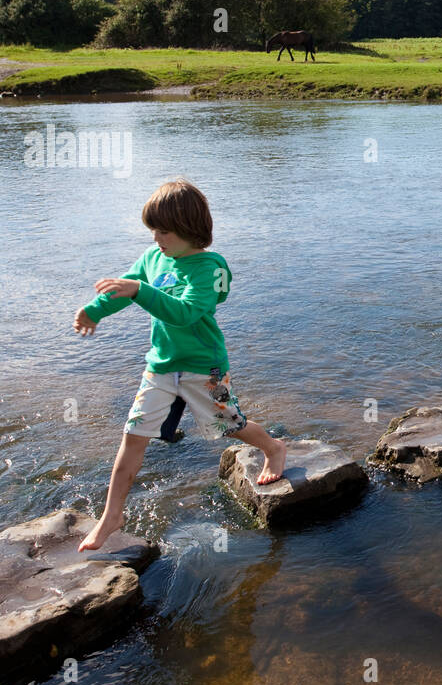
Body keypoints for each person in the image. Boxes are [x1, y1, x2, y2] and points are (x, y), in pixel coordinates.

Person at [73, 179, 287, 551]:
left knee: (228, 426)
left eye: (164, 230)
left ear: (189, 229)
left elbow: (186, 314)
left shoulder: (208, 267)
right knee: (133, 435)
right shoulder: (154, 258)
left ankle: (273, 447)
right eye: (153, 229)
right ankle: (112, 516)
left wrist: (141, 291)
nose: (157, 237)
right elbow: (125, 288)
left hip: (205, 369)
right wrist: (94, 311)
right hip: (160, 367)